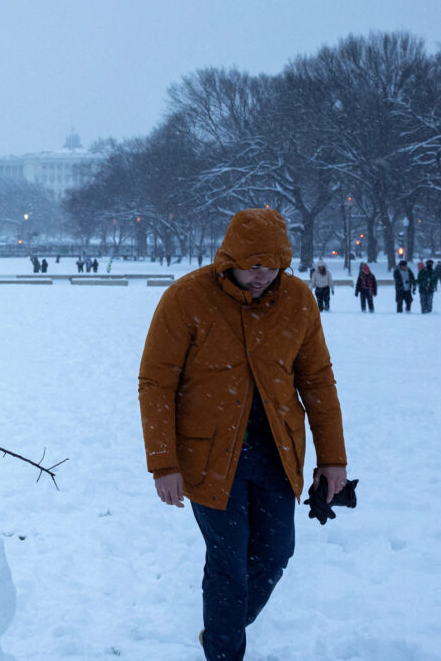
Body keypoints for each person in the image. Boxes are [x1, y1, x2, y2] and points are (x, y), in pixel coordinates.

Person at [138, 208, 348, 661]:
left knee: (276, 555)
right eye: (253, 266)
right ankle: (223, 650)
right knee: (229, 564)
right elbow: (156, 384)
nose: (262, 277)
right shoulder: (186, 298)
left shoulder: (297, 299)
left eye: (272, 267)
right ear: (228, 257)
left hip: (276, 454)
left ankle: (221, 627)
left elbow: (317, 382)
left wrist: (333, 460)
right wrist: (163, 464)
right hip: (210, 459)